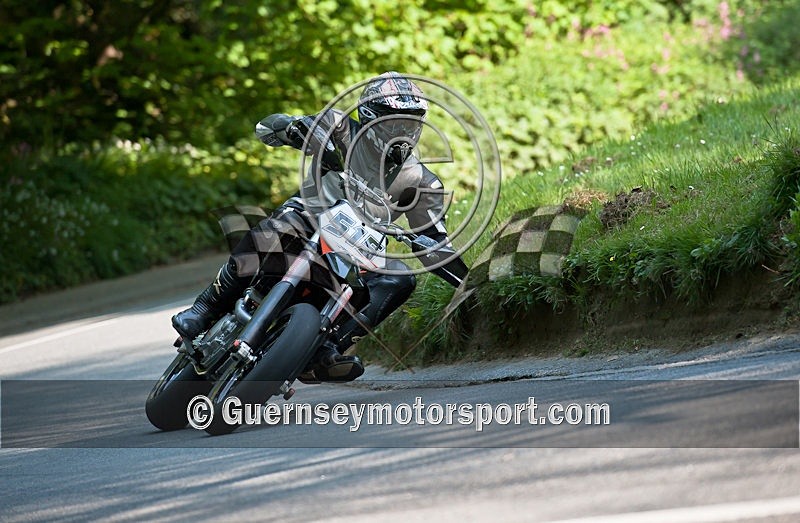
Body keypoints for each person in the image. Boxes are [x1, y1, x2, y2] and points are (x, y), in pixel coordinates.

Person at [172, 71, 467, 381]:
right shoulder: (338, 129)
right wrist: (293, 128)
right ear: (370, 116)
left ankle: (325, 348)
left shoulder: (423, 182)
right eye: (395, 123)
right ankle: (204, 309)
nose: (405, 131)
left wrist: (468, 283)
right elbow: (269, 128)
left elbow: (436, 242)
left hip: (356, 249)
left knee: (399, 281)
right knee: (277, 227)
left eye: (412, 123)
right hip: (306, 219)